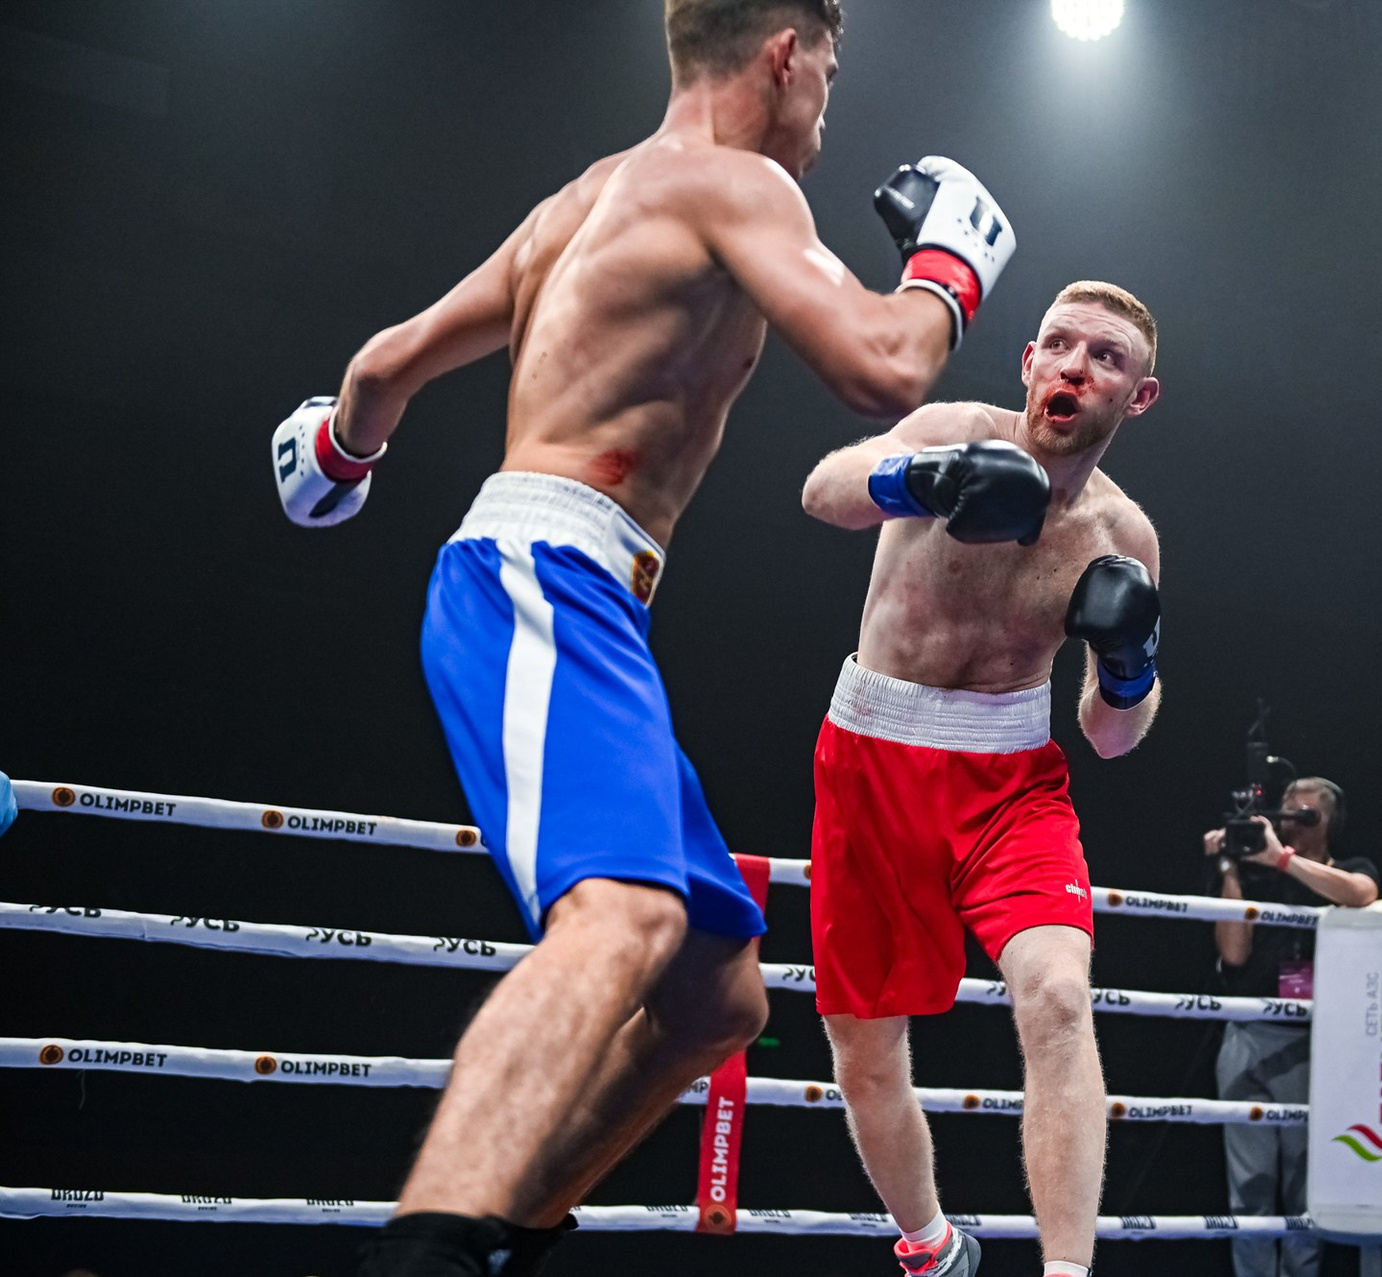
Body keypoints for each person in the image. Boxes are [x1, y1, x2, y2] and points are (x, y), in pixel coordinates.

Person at [267, 2, 1019, 1272]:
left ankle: (507, 1230)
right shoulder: (740, 186)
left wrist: (339, 454)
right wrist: (953, 266)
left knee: (717, 990)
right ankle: (426, 1250)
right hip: (544, 576)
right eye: (831, 68)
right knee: (618, 915)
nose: (828, 104)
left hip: (580, 595)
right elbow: (886, 367)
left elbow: (387, 364)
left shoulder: (579, 205)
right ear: (785, 52)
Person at [798, 280, 1165, 1277]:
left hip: (1011, 783)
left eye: (1105, 357)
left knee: (1058, 995)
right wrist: (920, 480)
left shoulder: (1123, 537)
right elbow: (822, 490)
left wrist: (1129, 666)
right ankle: (930, 1244)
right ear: (1029, 362)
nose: (1075, 365)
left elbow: (1111, 736)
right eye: (1060, 344)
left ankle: (1066, 1271)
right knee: (864, 1047)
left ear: (1138, 396)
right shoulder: (954, 429)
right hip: (872, 755)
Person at [1205, 777, 1378, 1277]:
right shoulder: (1254, 874)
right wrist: (1230, 865)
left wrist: (1283, 860)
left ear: (1328, 823)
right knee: (1249, 1187)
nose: (1292, 824)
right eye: (1286, 813)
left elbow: (1362, 894)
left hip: (1313, 1042)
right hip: (1247, 1030)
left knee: (1305, 1187)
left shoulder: (1347, 867)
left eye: (1305, 815)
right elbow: (1234, 954)